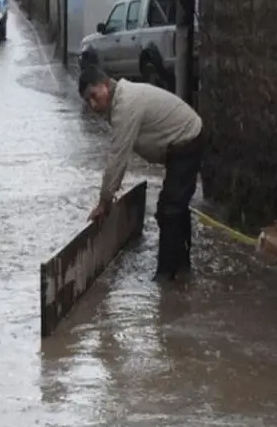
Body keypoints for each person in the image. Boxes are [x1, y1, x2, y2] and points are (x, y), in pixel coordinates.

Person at [79, 65, 205, 282]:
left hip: (187, 140)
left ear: (106, 85)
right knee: (176, 208)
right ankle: (182, 268)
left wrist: (104, 201)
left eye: (93, 96)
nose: (92, 104)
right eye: (87, 101)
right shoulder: (120, 100)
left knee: (168, 211)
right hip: (181, 143)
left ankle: (165, 279)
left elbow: (118, 157)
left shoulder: (125, 104)